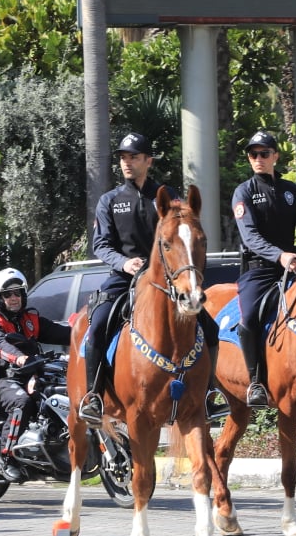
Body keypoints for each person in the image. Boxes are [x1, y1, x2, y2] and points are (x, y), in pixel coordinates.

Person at [78, 132, 220, 422]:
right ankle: (93, 395)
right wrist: (124, 262)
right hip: (124, 277)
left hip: (167, 280)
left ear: (148, 160)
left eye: (134, 157)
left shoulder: (170, 200)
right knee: (98, 324)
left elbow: (185, 238)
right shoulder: (110, 200)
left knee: (211, 327)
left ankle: (209, 393)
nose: (127, 163)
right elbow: (101, 244)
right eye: (123, 157)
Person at [231, 130, 296, 408]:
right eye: (253, 154)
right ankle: (256, 382)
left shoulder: (292, 191)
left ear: (275, 156)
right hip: (259, 270)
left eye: (264, 153)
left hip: (294, 268)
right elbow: (250, 237)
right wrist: (280, 255)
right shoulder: (244, 192)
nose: (258, 158)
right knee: (249, 320)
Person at [0, 269, 71, 481]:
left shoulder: (31, 318)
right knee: (21, 403)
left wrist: (88, 332)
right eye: (7, 294)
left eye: (17, 293)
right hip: (7, 377)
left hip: (34, 373)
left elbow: (62, 332)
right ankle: (6, 457)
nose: (14, 298)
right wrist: (20, 358)